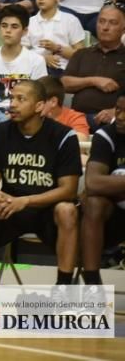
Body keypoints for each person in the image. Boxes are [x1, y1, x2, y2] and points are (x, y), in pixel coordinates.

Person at [0, 80, 81, 286]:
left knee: (67, 210)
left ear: (39, 106)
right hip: (8, 209)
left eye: (21, 99)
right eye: (12, 98)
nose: (13, 104)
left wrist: (25, 201)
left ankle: (63, 286)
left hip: (46, 210)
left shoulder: (63, 135)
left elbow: (69, 191)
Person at [80, 92, 125, 294]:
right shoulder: (107, 135)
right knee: (93, 202)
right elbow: (93, 182)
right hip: (113, 217)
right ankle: (91, 283)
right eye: (119, 109)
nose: (121, 116)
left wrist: (114, 184)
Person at [63, 2, 125, 129]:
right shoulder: (82, 54)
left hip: (113, 120)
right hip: (77, 118)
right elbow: (64, 83)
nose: (105, 27)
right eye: (101, 21)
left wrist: (116, 111)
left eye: (112, 23)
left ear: (123, 29)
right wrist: (94, 81)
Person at [0, 4, 48, 112]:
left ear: (24, 31)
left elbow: (39, 98)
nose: (8, 30)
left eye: (14, 27)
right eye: (4, 26)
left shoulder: (36, 61)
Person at [26, 0, 86, 74]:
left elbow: (81, 56)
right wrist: (42, 59)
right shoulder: (29, 22)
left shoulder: (70, 20)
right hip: (35, 69)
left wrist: (57, 49)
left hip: (63, 70)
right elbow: (21, 53)